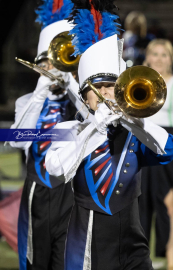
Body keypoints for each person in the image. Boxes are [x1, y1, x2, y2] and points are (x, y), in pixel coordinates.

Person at [45, 2, 173, 269]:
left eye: (112, 86)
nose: (106, 93)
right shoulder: (71, 130)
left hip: (134, 245)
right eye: (100, 87)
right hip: (87, 244)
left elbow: (168, 150)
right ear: (84, 96)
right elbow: (55, 169)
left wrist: (134, 120)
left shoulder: (132, 134)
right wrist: (95, 126)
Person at [9, 0, 79, 269]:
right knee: (35, 260)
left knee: (66, 261)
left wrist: (71, 82)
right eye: (48, 63)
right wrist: (40, 93)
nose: (53, 69)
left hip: (71, 192)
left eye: (58, 62)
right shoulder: (26, 101)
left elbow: (89, 120)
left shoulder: (77, 102)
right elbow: (17, 139)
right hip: (37, 191)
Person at [139, 39, 173, 270]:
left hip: (170, 146)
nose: (159, 59)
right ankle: (141, 260)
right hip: (143, 144)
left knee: (170, 205)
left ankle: (171, 260)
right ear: (148, 57)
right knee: (140, 204)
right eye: (155, 54)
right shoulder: (139, 83)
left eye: (164, 54)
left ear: (171, 58)